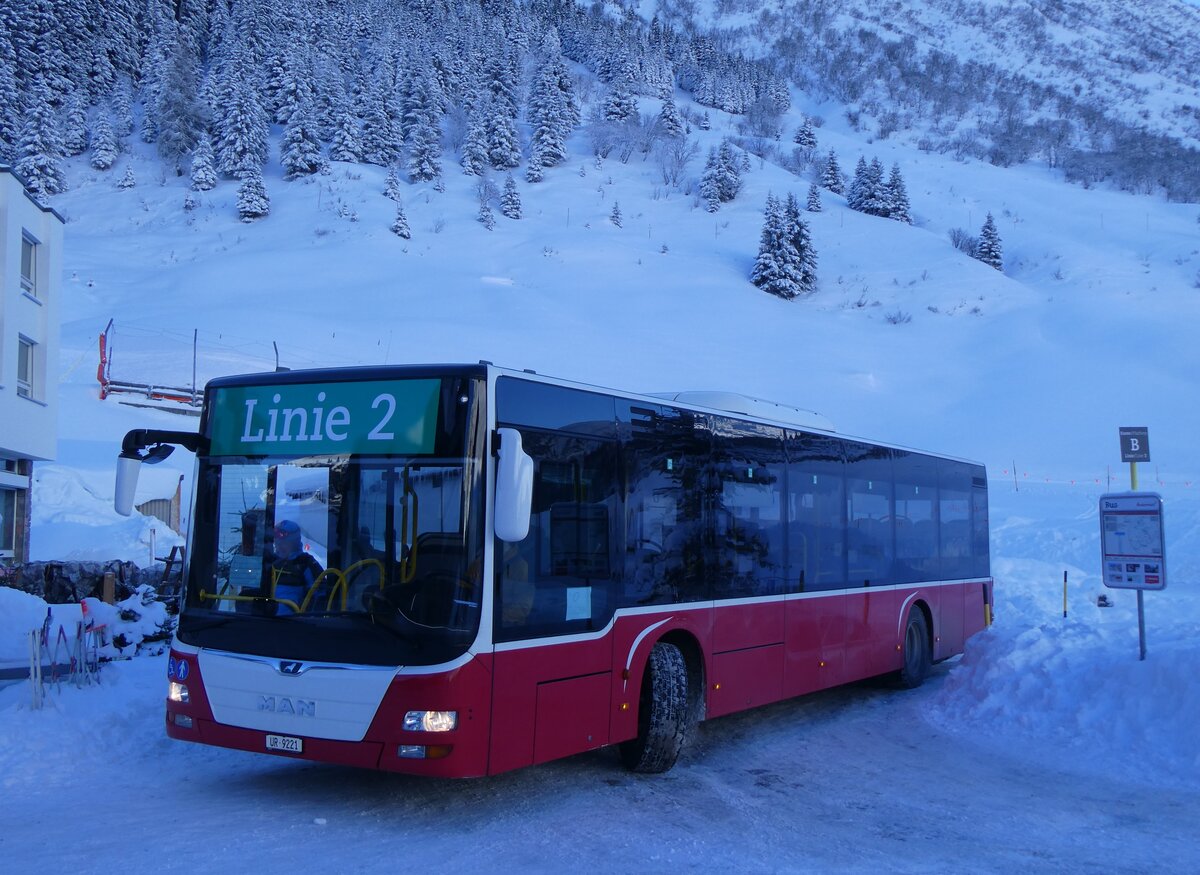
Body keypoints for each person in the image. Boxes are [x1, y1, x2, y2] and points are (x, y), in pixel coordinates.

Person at [270, 519, 324, 614]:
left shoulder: (305, 563)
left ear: (295, 543)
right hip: (266, 618)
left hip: (292, 621)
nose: (280, 547)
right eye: (277, 543)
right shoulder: (272, 562)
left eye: (284, 543)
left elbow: (320, 594)